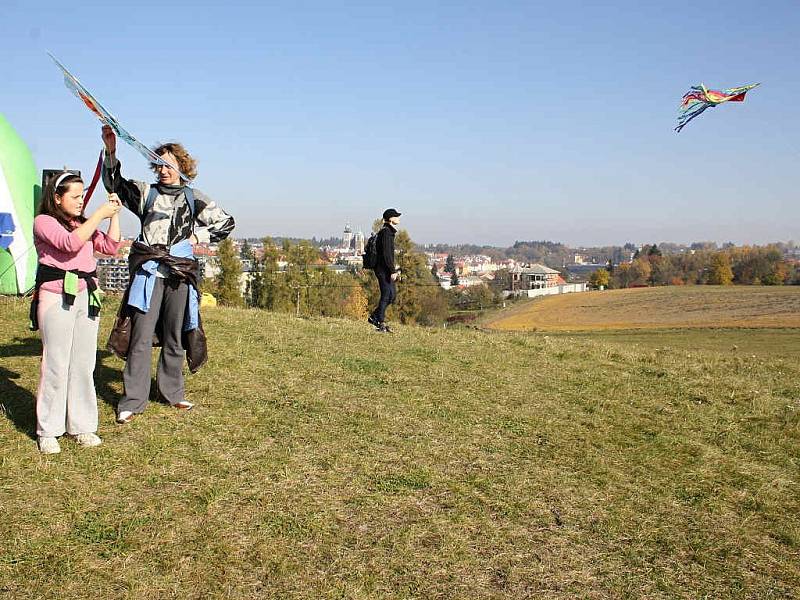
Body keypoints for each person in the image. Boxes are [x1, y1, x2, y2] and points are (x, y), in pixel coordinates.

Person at [101, 125, 234, 424]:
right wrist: (110, 150)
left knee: (175, 335)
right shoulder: (146, 193)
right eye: (158, 164)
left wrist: (197, 239)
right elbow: (114, 183)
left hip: (180, 274)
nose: (163, 170)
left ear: (182, 167)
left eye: (169, 165)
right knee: (141, 338)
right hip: (149, 273)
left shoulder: (194, 198)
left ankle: (171, 392)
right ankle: (133, 400)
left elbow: (226, 223)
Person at [32, 171, 122, 454]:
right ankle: (48, 429)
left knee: (83, 363)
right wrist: (98, 214)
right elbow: (69, 244)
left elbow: (110, 247)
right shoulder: (44, 222)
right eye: (75, 196)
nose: (81, 201)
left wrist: (113, 215)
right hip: (56, 297)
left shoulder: (82, 224)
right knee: (56, 363)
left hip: (86, 295)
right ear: (57, 198)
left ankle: (82, 425)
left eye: (82, 195)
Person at [368, 208, 401, 333]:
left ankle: (374, 317)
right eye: (396, 216)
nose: (398, 218)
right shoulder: (386, 233)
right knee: (387, 295)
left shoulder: (388, 232)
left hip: (385, 268)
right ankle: (379, 322)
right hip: (383, 269)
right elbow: (387, 255)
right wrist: (392, 271)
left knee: (392, 295)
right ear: (391, 219)